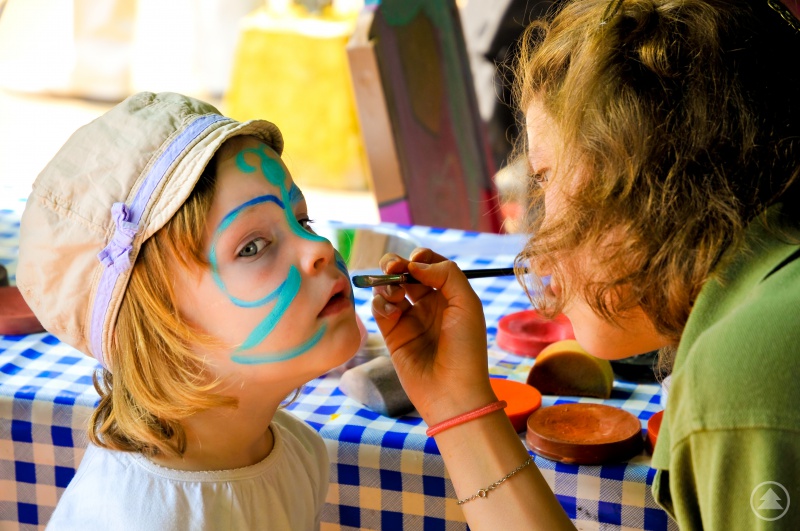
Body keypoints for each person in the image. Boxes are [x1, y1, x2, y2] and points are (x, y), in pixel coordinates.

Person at [370, 0, 800, 529]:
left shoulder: (746, 374)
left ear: (645, 175)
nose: (539, 244)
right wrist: (456, 402)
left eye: (546, 176)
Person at [16, 92, 363, 530]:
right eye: (252, 246)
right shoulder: (136, 520)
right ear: (160, 330)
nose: (318, 248)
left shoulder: (298, 453)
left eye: (302, 220)